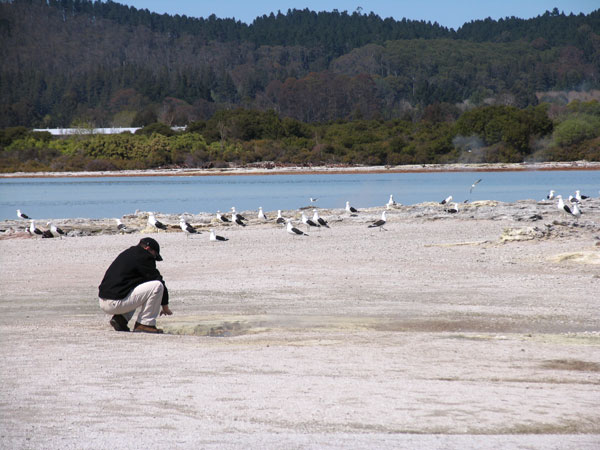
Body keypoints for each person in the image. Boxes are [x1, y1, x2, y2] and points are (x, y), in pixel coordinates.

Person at [98, 237, 172, 333]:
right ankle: (145, 324)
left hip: (103, 300)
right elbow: (158, 280)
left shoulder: (129, 253)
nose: (154, 259)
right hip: (115, 303)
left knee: (137, 287)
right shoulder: (144, 257)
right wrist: (165, 306)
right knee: (157, 286)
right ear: (148, 249)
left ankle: (120, 319)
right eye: (154, 256)